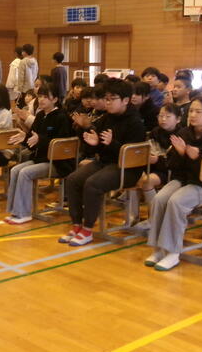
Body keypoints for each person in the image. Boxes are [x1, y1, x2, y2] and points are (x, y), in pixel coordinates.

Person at [144, 96, 202, 271]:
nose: (192, 115)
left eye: (198, 112)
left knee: (176, 201)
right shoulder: (183, 133)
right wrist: (180, 154)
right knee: (159, 199)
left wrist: (197, 158)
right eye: (191, 111)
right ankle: (158, 249)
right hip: (184, 179)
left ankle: (173, 252)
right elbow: (172, 165)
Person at [60, 78, 146, 246]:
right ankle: (77, 224)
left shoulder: (136, 122)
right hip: (106, 163)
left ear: (126, 100)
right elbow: (94, 148)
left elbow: (134, 156)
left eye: (112, 99)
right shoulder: (107, 118)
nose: (108, 102)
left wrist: (112, 144)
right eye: (106, 99)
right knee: (72, 179)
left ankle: (87, 229)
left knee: (93, 184)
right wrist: (87, 134)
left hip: (127, 169)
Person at [4, 84, 73, 225]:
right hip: (40, 159)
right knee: (15, 170)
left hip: (57, 163)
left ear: (55, 99)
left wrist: (40, 140)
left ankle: (24, 213)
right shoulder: (40, 116)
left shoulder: (62, 117)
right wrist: (24, 138)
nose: (41, 99)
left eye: (45, 97)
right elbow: (33, 139)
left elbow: (62, 144)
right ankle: (15, 210)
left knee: (25, 173)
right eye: (40, 96)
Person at [136, 103, 182, 222]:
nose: (163, 119)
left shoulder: (182, 135)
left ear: (178, 119)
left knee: (147, 181)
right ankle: (134, 216)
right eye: (161, 116)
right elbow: (149, 150)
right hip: (154, 167)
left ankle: (154, 218)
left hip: (171, 172)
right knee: (135, 175)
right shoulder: (155, 132)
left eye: (168, 116)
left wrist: (158, 160)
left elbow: (177, 162)